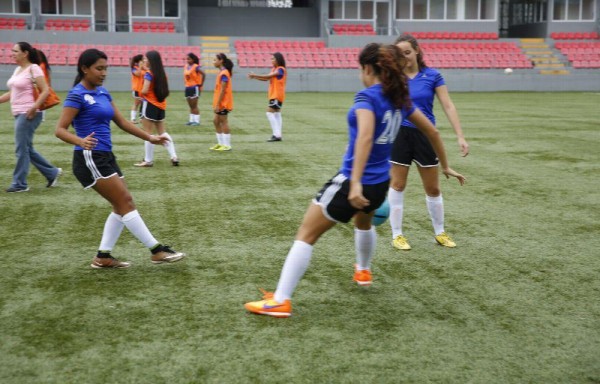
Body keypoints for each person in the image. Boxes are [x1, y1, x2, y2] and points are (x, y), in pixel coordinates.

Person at [244, 43, 466, 318]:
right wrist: (445, 165)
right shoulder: (400, 100)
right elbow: (433, 131)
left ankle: (280, 300)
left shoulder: (367, 97)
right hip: (379, 183)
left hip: (353, 180)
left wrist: (356, 182)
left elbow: (364, 136)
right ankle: (363, 271)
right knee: (363, 223)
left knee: (306, 233)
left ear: (368, 68)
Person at [55, 48, 186, 268]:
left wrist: (150, 137)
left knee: (120, 205)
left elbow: (123, 122)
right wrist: (79, 141)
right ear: (84, 69)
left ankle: (103, 256)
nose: (103, 73)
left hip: (106, 156)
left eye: (106, 68)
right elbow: (60, 130)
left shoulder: (103, 93)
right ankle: (156, 250)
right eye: (99, 68)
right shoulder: (76, 95)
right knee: (125, 202)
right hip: (89, 158)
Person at [389, 34, 470, 251]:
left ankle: (440, 232)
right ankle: (397, 235)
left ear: (416, 50)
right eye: (400, 54)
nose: (404, 57)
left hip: (425, 136)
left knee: (433, 188)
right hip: (400, 135)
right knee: (397, 185)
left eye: (407, 52)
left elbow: (448, 105)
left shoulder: (432, 75)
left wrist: (460, 136)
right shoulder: (394, 77)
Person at [0, 42, 62, 193]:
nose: (12, 53)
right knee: (27, 148)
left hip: (28, 113)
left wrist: (34, 107)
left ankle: (19, 184)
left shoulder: (34, 68)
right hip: (19, 113)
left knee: (21, 149)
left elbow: (45, 90)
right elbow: (13, 93)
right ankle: (52, 173)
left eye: (15, 51)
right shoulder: (18, 69)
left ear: (25, 53)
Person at [134, 50, 180, 167]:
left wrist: (139, 91)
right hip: (160, 105)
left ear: (151, 60)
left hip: (149, 104)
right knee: (162, 132)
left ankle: (148, 160)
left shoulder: (149, 74)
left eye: (145, 59)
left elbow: (144, 90)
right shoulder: (162, 73)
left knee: (148, 134)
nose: (144, 60)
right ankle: (173, 156)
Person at [247, 52, 287, 142]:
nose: (271, 60)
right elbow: (266, 78)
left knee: (269, 113)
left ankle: (276, 134)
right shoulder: (275, 69)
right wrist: (255, 77)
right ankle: (278, 134)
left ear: (278, 60)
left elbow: (268, 76)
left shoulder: (281, 69)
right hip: (276, 94)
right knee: (277, 113)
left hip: (276, 94)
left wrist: (254, 75)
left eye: (273, 59)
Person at [210, 53, 234, 152]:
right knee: (216, 121)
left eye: (215, 60)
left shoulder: (224, 73)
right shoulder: (221, 72)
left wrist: (218, 104)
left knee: (223, 121)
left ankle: (227, 145)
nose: (213, 62)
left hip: (223, 103)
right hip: (219, 102)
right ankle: (220, 143)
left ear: (221, 61)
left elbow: (223, 90)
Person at [183, 52, 205, 126]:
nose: (187, 60)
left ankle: (197, 121)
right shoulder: (186, 66)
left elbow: (204, 74)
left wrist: (201, 83)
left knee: (194, 105)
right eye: (187, 59)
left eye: (189, 59)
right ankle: (191, 120)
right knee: (190, 105)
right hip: (187, 87)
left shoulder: (196, 66)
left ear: (193, 59)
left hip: (194, 87)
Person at [37, 49, 51, 122]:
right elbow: (48, 76)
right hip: (45, 84)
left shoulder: (40, 65)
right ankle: (42, 116)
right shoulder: (45, 65)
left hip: (41, 84)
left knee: (40, 100)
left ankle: (41, 116)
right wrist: (49, 85)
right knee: (43, 100)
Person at [129, 54, 144, 123]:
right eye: (143, 59)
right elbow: (137, 74)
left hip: (142, 89)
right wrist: (140, 67)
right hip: (137, 89)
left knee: (143, 103)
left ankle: (141, 118)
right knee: (136, 103)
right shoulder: (134, 68)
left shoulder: (142, 68)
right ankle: (133, 119)